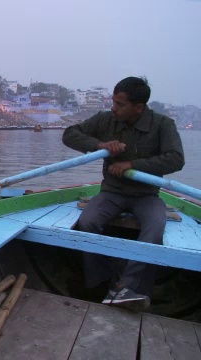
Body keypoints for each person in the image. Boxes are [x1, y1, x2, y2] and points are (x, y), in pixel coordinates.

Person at [62, 76, 185, 309]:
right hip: (112, 192)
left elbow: (176, 159)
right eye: (113, 102)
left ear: (138, 107)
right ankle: (101, 283)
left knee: (154, 231)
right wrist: (101, 145)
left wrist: (132, 165)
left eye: (120, 104)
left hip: (146, 196)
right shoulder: (105, 120)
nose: (113, 108)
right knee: (87, 223)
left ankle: (128, 288)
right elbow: (69, 134)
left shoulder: (162, 125)